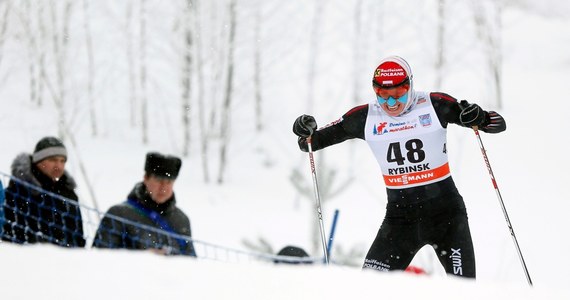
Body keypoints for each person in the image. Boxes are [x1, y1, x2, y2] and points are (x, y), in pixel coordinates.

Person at [292, 56, 506, 278]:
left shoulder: (435, 104)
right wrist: (304, 130)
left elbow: (497, 124)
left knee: (464, 291)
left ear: (410, 85)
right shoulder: (365, 117)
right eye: (383, 96)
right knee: (368, 288)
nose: (391, 104)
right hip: (400, 220)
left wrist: (479, 117)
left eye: (397, 95)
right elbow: (310, 143)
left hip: (447, 217)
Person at [92, 152, 197, 257]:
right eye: (159, 180)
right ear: (146, 178)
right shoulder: (118, 214)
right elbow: (100, 260)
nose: (163, 187)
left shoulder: (181, 220)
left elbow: (191, 264)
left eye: (169, 182)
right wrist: (143, 259)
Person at [1, 136, 86, 247]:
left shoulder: (69, 195)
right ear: (38, 161)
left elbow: (78, 238)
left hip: (67, 261)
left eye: (62, 161)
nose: (58, 166)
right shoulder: (17, 192)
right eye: (53, 160)